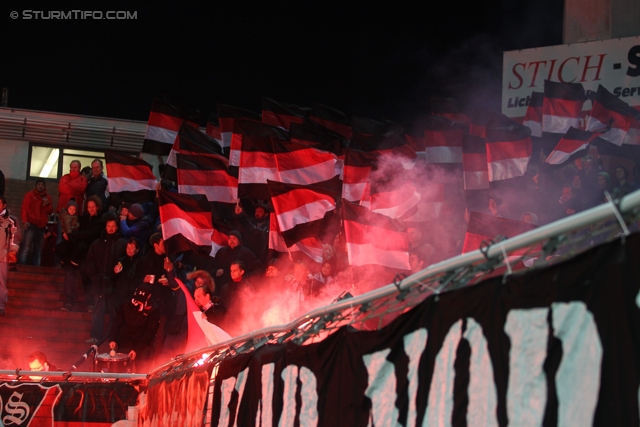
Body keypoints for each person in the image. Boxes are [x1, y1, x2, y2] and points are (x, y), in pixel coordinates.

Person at [84, 217, 127, 343]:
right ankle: (96, 335)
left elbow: (125, 261)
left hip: (115, 284)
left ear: (117, 227)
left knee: (114, 312)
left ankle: (111, 337)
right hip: (99, 283)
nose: (111, 228)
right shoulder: (96, 243)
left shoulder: (122, 244)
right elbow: (89, 262)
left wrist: (117, 275)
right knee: (98, 311)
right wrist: (94, 276)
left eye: (113, 226)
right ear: (106, 226)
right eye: (109, 226)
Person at [108, 282, 161, 373]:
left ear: (149, 296)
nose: (139, 301)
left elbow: (150, 333)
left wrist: (137, 350)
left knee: (142, 371)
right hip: (125, 341)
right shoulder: (126, 304)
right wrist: (113, 339)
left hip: (143, 344)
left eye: (142, 299)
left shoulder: (153, 310)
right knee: (120, 370)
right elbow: (117, 322)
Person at [18, 179, 53, 266]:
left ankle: (36, 268)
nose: (40, 186)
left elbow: (50, 211)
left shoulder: (47, 197)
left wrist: (47, 204)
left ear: (44, 186)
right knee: (26, 247)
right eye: (39, 184)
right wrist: (25, 221)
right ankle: (22, 268)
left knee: (38, 250)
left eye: (42, 184)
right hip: (31, 225)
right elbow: (24, 208)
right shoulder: (29, 195)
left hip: (41, 227)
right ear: (36, 185)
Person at [0, 197, 16, 316]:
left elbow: (12, 240)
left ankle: (1, 305)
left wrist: (11, 253)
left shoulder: (9, 222)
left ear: (4, 205)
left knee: (1, 281)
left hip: (2, 256)